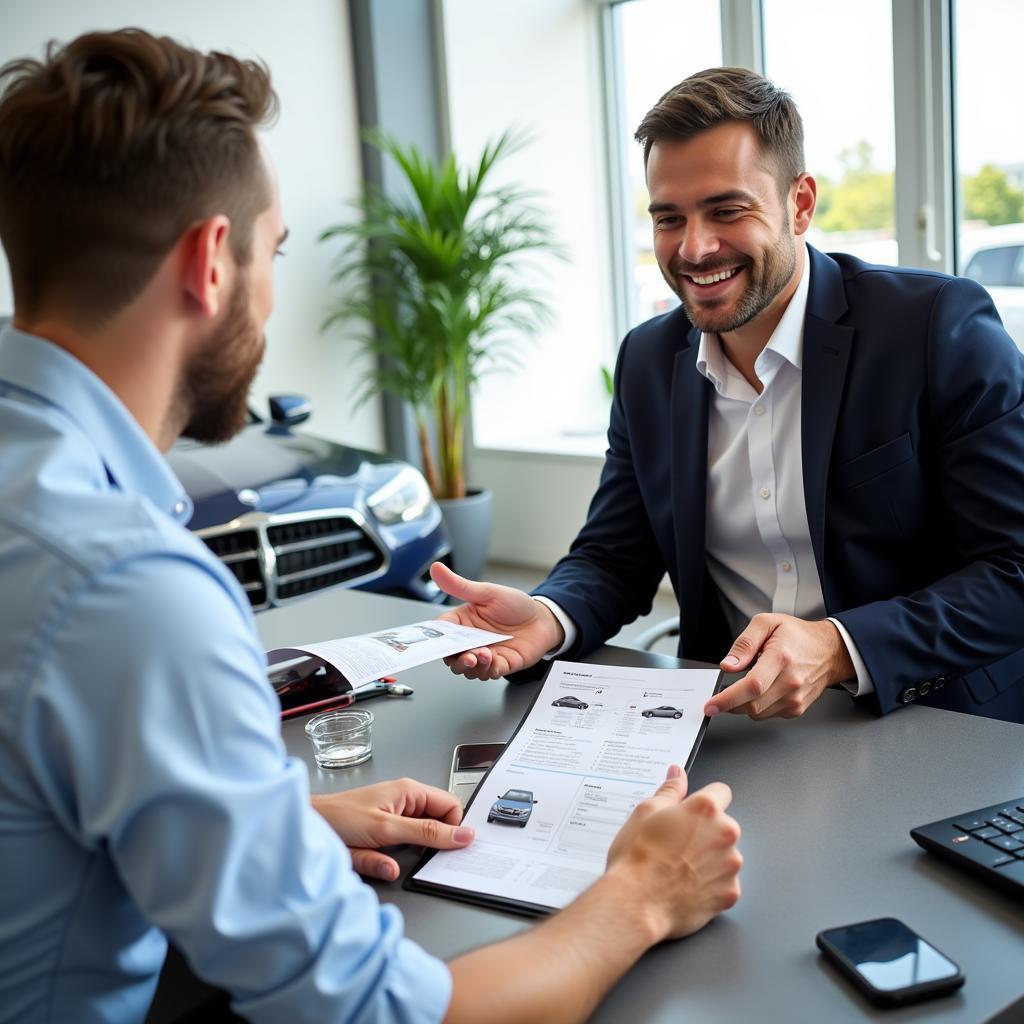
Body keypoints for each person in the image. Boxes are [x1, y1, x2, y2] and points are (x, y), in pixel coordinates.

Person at [0, 30, 742, 1024]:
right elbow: (381, 1013)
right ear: (211, 262)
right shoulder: (128, 587)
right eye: (276, 254)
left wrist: (272, 823)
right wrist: (640, 896)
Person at [435, 66, 1024, 725]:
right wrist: (547, 616)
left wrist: (839, 647)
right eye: (668, 218)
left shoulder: (934, 328)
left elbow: (1014, 568)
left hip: (932, 724)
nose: (694, 248)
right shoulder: (648, 362)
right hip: (731, 730)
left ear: (800, 204)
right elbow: (614, 555)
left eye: (726, 210)